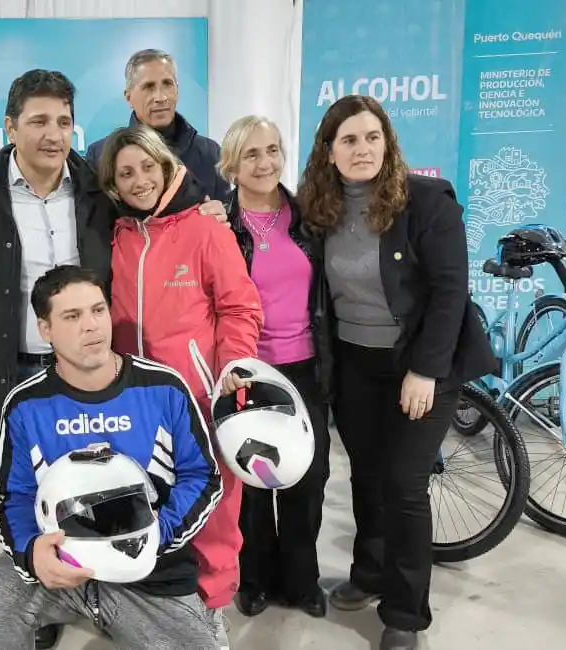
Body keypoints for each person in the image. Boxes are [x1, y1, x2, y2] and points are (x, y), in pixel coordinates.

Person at [297, 95, 495, 650]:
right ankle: (370, 572)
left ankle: (406, 613)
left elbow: (452, 291)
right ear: (329, 151)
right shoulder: (320, 209)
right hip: (355, 363)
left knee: (405, 484)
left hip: (421, 364)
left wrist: (426, 371)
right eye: (349, 140)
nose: (362, 149)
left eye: (371, 137)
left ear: (388, 142)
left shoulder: (427, 201)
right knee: (365, 473)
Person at [0, 265, 224, 650]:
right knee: (2, 586)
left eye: (97, 310)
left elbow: (204, 476)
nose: (91, 326)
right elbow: (16, 496)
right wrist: (32, 555)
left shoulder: (164, 387)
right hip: (67, 563)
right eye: (72, 317)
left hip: (149, 571)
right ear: (45, 330)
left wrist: (156, 535)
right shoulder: (26, 404)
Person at [98, 124, 263, 645]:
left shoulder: (204, 228)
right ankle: (153, 605)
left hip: (196, 397)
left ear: (166, 165)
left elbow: (240, 306)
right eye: (126, 173)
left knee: (214, 508)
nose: (139, 180)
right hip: (136, 402)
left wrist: (233, 364)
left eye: (147, 166)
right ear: (113, 185)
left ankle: (212, 609)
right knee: (147, 502)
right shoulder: (118, 235)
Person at [218, 115, 332, 619]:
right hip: (250, 373)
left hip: (307, 366)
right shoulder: (218, 223)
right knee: (254, 481)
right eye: (251, 154)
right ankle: (256, 578)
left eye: (272, 150)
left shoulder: (308, 215)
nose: (265, 163)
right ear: (232, 166)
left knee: (308, 479)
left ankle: (302, 581)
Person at [85, 49, 229, 201]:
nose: (160, 97)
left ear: (177, 90)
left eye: (167, 84)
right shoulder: (100, 156)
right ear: (128, 97)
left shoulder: (210, 153)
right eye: (148, 87)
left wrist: (223, 214)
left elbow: (227, 214)